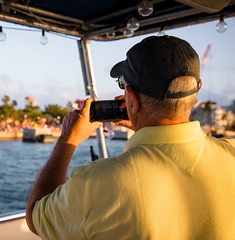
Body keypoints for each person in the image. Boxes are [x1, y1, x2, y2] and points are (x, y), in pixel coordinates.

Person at [25, 35, 235, 239]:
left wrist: (66, 141)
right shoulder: (230, 152)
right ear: (198, 89)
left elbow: (36, 218)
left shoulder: (97, 182)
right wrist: (142, 124)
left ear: (132, 99)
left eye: (122, 85)